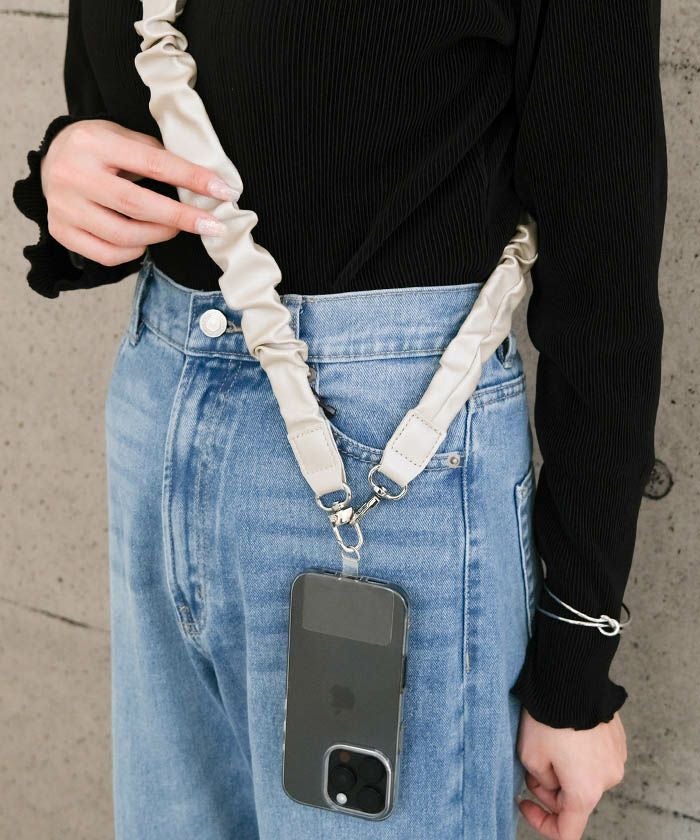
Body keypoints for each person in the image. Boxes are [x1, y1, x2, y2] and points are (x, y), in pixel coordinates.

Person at [12, 1, 667, 838]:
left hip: (397, 454)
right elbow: (117, 121)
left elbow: (604, 276)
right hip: (158, 407)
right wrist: (68, 173)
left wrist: (575, 664)